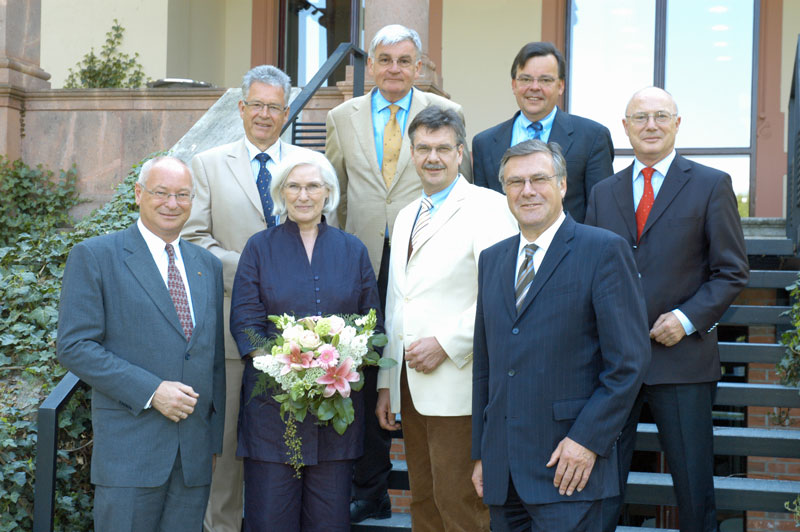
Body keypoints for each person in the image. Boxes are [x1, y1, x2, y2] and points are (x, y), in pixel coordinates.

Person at [584, 87, 749, 532]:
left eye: (661, 116)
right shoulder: (603, 193)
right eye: (640, 117)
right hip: (614, 365)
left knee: (694, 490)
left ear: (678, 124)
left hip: (682, 361)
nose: (651, 125)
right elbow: (590, 272)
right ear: (625, 127)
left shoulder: (711, 184)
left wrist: (686, 319)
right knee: (600, 487)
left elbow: (732, 271)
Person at [325, 23, 471, 521]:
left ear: (418, 65)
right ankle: (371, 488)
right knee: (367, 371)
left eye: (404, 60)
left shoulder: (447, 112)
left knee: (419, 361)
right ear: (370, 65)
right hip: (361, 262)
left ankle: (436, 478)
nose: (394, 69)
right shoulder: (341, 116)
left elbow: (461, 186)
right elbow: (335, 193)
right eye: (384, 60)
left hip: (426, 260)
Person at [471, 140, 650, 532]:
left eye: (539, 179)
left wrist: (587, 440)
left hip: (570, 470)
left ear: (563, 185)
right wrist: (483, 453)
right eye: (515, 182)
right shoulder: (492, 259)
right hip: (505, 475)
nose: (527, 191)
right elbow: (485, 367)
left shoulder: (603, 250)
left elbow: (628, 363)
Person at [57, 156, 225, 532]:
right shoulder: (96, 256)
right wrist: (152, 391)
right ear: (138, 194)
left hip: (193, 458)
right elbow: (75, 345)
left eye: (182, 195)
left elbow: (213, 361)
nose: (172, 203)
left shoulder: (207, 265)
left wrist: (211, 443)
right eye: (161, 192)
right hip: (130, 454)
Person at [182, 65, 313, 532]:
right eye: (255, 104)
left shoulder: (308, 165)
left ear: (286, 112)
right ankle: (219, 526)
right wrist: (256, 270)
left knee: (291, 444)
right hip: (231, 329)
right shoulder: (208, 164)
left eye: (273, 107)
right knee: (226, 444)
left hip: (302, 334)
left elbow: (323, 236)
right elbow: (194, 240)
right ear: (240, 108)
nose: (264, 114)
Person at [375, 106, 517, 532]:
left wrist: (447, 343)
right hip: (409, 385)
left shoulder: (489, 207)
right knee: (424, 501)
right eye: (423, 149)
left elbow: (501, 294)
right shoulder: (405, 215)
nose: (432, 157)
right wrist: (387, 382)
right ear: (412, 155)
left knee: (460, 504)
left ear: (460, 153)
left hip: (459, 381)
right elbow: (396, 303)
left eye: (442, 148)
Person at [229, 149, 381, 532]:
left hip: (335, 415)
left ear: (328, 191)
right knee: (270, 521)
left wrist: (334, 365)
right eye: (293, 186)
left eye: (313, 186)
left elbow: (371, 325)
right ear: (281, 192)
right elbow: (245, 325)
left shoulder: (353, 250)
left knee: (329, 523)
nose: (303, 195)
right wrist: (291, 369)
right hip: (273, 412)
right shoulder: (258, 248)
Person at [472, 41, 613, 223]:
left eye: (545, 80)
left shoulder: (592, 137)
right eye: (526, 79)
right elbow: (483, 212)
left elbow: (601, 211)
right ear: (514, 85)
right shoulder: (484, 143)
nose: (534, 87)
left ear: (561, 86)